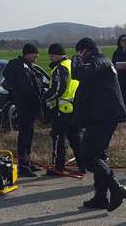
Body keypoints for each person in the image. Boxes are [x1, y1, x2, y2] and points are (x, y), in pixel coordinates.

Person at [72, 37, 126, 212]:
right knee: (98, 156)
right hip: (98, 116)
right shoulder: (98, 62)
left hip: (103, 116)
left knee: (90, 158)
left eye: (79, 53)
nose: (79, 57)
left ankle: (116, 188)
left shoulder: (100, 61)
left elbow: (79, 74)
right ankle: (101, 197)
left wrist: (76, 62)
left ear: (85, 50)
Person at [42, 43, 86, 175]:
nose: (50, 59)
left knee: (58, 139)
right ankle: (83, 165)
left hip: (62, 109)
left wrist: (44, 97)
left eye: (51, 56)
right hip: (74, 108)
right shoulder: (72, 64)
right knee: (76, 139)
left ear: (55, 55)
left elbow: (58, 89)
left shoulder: (60, 68)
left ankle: (57, 167)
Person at [3, 43, 43, 177]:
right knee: (24, 136)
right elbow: (27, 89)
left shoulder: (26, 66)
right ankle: (23, 166)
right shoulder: (21, 67)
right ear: (28, 53)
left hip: (28, 106)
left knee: (29, 135)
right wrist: (37, 101)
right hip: (25, 106)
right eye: (35, 53)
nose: (37, 56)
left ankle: (27, 162)